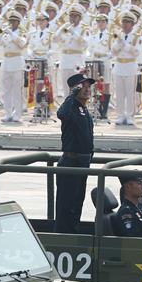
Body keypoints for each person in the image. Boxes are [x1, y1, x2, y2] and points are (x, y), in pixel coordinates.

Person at [54, 72, 95, 234]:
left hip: (83, 163)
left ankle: (73, 233)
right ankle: (63, 236)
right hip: (71, 163)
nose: (86, 89)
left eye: (88, 86)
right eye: (82, 86)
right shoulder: (71, 106)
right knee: (66, 205)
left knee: (77, 204)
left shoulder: (84, 109)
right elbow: (61, 114)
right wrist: (71, 95)